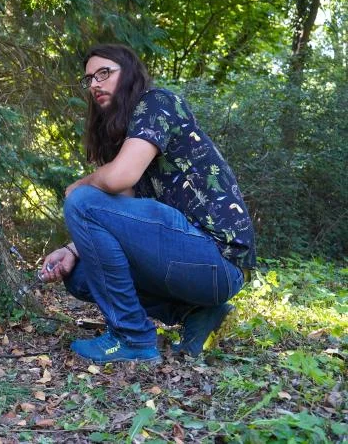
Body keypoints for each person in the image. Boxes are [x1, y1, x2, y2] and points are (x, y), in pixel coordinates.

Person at [39, 44, 255, 363]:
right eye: (89, 79)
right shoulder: (128, 137)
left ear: (130, 74)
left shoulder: (157, 102)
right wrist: (71, 251)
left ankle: (133, 338)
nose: (95, 84)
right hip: (188, 263)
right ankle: (198, 312)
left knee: (82, 198)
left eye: (104, 73)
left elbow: (115, 180)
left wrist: (77, 187)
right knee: (81, 275)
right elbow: (114, 216)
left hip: (217, 258)